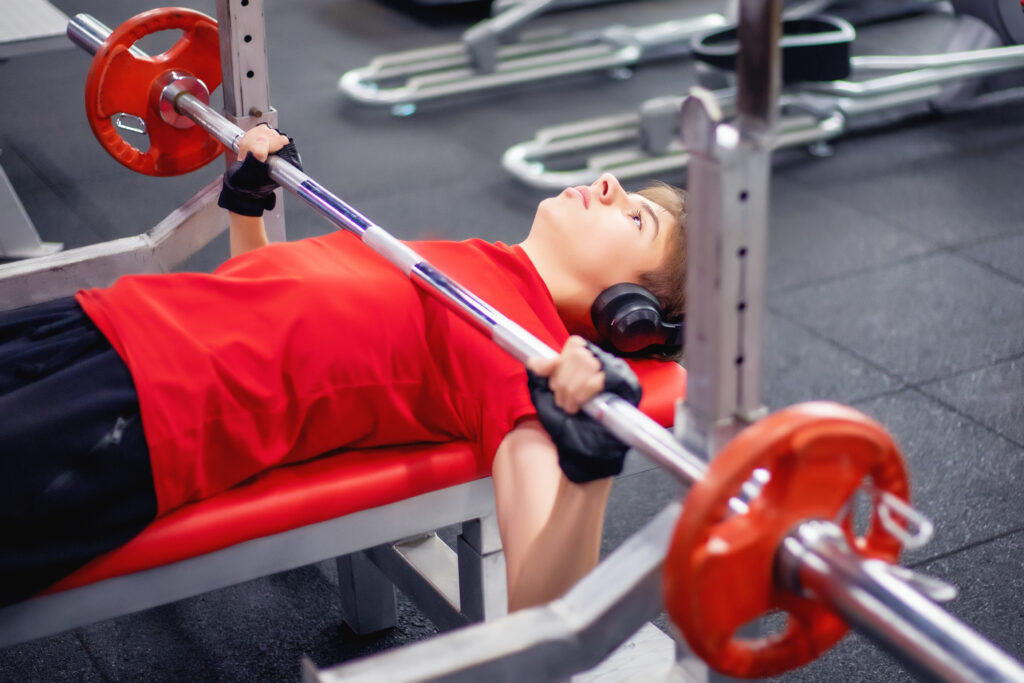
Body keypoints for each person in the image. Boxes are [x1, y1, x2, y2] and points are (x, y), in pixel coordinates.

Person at [0, 125, 687, 612]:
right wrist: (249, 205)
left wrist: (590, 471)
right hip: (104, 321)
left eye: (635, 221)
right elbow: (278, 310)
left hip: (141, 410)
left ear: (628, 313)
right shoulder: (476, 262)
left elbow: (544, 606)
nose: (609, 182)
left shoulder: (522, 354)